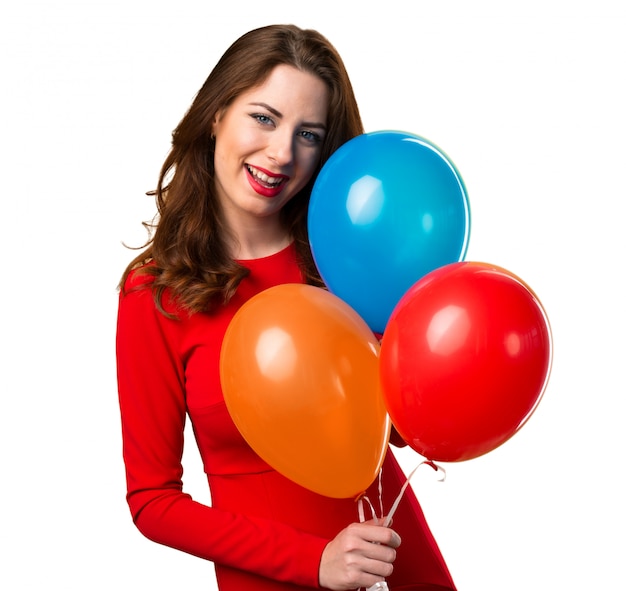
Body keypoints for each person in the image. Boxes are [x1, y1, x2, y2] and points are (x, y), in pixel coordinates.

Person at [116, 24, 457, 591]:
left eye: (309, 133)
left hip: (394, 558)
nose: (281, 152)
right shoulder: (154, 291)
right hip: (273, 576)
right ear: (217, 113)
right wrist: (314, 560)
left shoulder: (345, 259)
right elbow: (152, 500)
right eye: (265, 118)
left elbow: (392, 428)